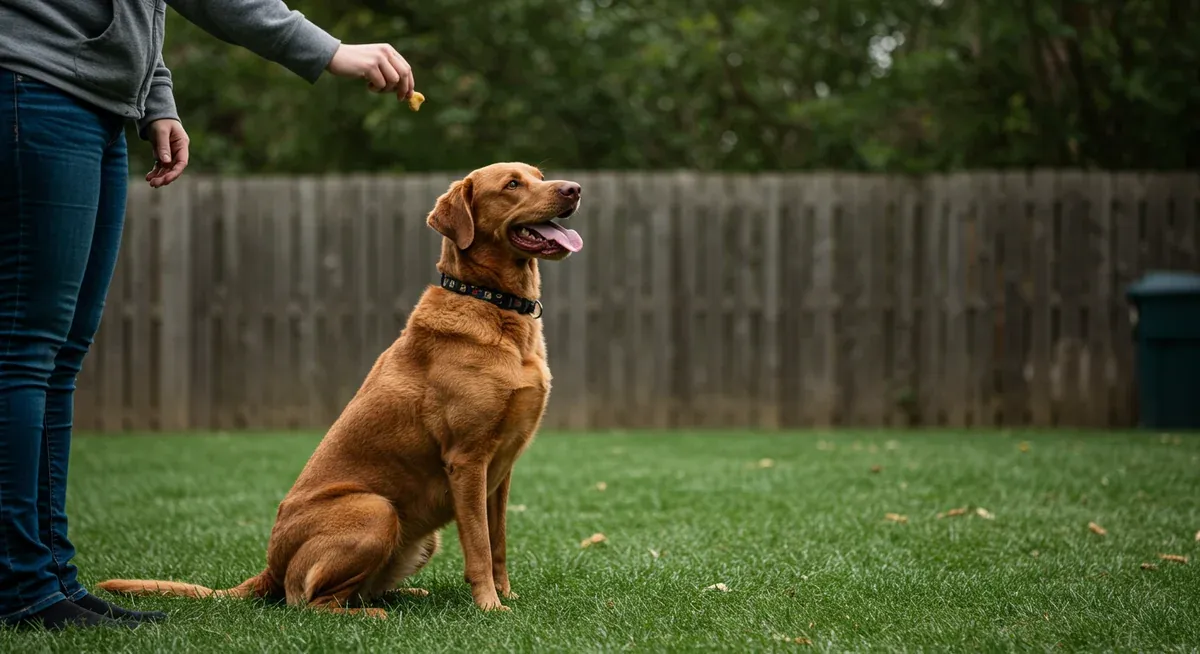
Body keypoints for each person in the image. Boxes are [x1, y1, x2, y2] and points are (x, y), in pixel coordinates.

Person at [0, 0, 416, 631]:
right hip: (37, 83)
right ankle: (20, 583)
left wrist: (154, 96)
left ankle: (51, 576)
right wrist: (327, 49)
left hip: (96, 100)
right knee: (25, 351)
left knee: (57, 359)